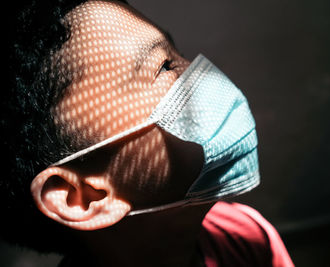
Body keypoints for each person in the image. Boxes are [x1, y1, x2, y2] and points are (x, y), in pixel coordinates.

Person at [1, 0, 294, 266]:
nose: (200, 71)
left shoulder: (242, 235)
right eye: (165, 66)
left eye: (179, 53)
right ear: (83, 197)